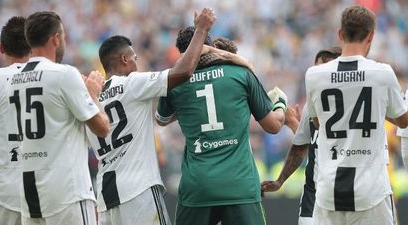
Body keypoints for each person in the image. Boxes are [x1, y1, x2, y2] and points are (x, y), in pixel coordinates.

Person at [84, 8, 216, 225]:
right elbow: (182, 72)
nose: (138, 63)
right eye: (135, 58)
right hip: (139, 191)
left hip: (106, 199)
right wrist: (201, 30)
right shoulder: (132, 83)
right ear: (124, 60)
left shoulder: (90, 100)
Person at [155, 26, 287, 225]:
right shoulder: (240, 73)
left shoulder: (174, 83)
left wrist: (187, 105)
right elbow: (274, 125)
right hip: (240, 184)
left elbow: (161, 119)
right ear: (210, 46)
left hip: (197, 186)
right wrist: (281, 103)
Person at [304, 5, 408, 225]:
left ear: (340, 34)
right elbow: (403, 120)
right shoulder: (382, 73)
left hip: (328, 190)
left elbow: (317, 122)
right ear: (371, 36)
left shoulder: (314, 75)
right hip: (371, 192)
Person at [7, 11, 110, 225]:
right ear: (55, 38)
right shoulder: (65, 74)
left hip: (28, 190)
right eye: (63, 37)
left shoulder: (14, 80)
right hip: (66, 192)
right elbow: (102, 128)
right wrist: (92, 94)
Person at [261, 47, 342, 225]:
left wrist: (293, 124)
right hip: (312, 201)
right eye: (316, 68)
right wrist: (280, 181)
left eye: (325, 68)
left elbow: (326, 144)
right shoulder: (311, 104)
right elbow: (304, 145)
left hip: (343, 197)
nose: (319, 75)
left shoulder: (351, 107)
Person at [0, 16, 31, 225]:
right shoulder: (54, 79)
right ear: (32, 47)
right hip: (44, 190)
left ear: (1, 48)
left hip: (1, 190)